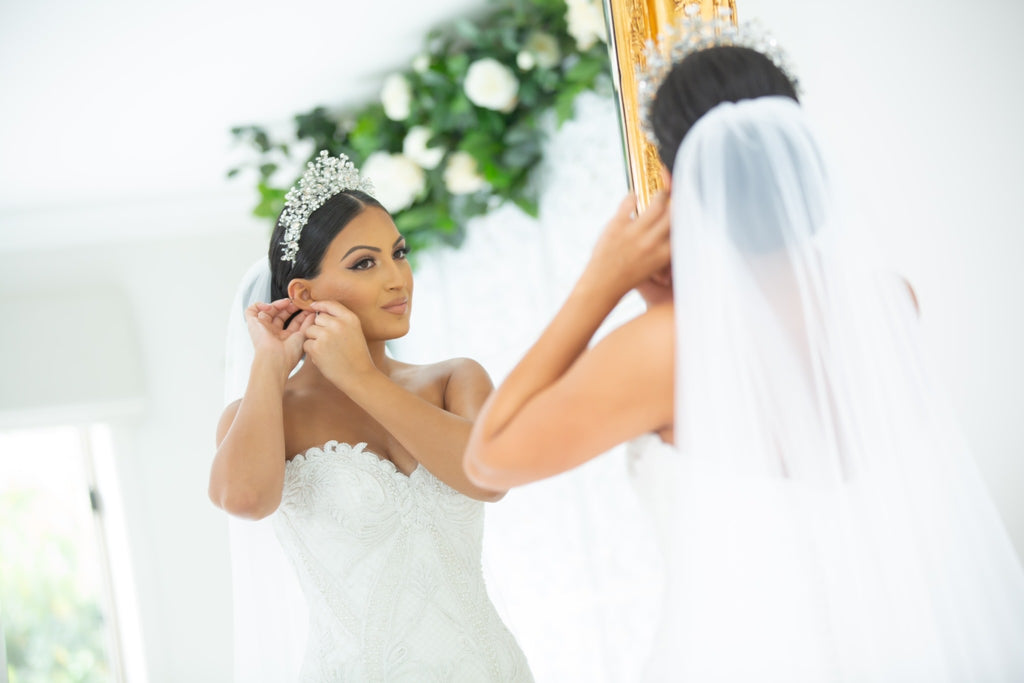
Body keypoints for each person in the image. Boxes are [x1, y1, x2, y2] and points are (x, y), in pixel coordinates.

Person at [462, 13, 1024, 682]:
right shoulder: (888, 300)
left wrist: (599, 283)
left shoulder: (665, 349)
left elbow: (487, 459)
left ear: (674, 179)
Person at [209, 151, 533, 682]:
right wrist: (269, 366)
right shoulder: (265, 413)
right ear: (304, 295)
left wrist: (361, 378)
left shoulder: (455, 380)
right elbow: (244, 500)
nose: (397, 278)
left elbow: (488, 478)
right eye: (365, 263)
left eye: (398, 253)